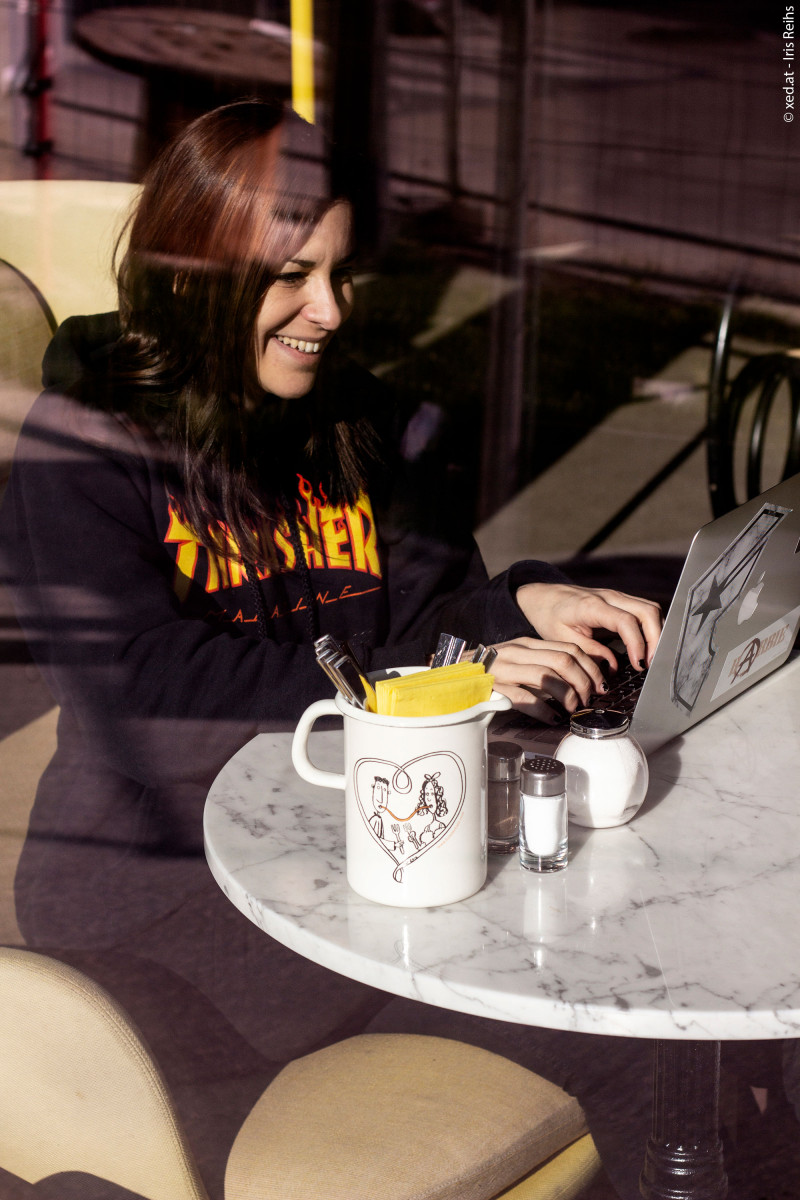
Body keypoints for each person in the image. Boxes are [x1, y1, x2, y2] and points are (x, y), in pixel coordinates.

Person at [0, 100, 666, 1198]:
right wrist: (432, 677)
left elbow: (432, 618)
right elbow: (148, 702)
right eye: (290, 276)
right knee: (604, 997)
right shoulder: (88, 447)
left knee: (648, 1027)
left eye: (342, 273)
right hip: (161, 907)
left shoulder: (361, 423)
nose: (330, 310)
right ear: (194, 272)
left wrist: (518, 604)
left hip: (361, 843)